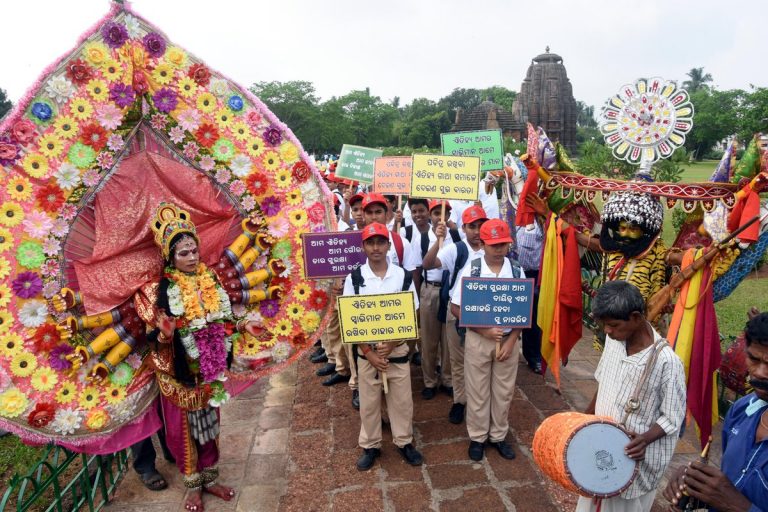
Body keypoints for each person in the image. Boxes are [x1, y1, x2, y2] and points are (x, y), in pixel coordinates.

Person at [148, 203, 263, 512]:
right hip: (180, 376)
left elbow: (222, 318)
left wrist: (243, 325)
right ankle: (192, 487)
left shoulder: (210, 279)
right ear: (170, 258)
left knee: (210, 426)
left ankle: (211, 480)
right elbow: (153, 338)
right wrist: (166, 334)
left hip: (210, 369)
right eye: (184, 253)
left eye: (194, 251)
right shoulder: (162, 289)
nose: (192, 257)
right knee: (181, 433)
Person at [579, 280, 686, 512]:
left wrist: (644, 439)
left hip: (633, 460)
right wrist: (582, 421)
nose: (607, 331)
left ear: (636, 317)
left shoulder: (667, 362)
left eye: (614, 325)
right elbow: (604, 380)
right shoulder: (614, 339)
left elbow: (673, 417)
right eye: (604, 325)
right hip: (601, 445)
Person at [663, 310, 768, 512]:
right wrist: (701, 490)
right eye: (754, 360)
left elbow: (733, 500)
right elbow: (734, 483)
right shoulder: (742, 410)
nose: (760, 373)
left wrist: (737, 506)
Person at [343, 222, 423, 470]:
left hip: (396, 349)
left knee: (401, 400)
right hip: (367, 353)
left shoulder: (402, 276)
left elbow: (412, 313)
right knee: (368, 401)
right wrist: (368, 352)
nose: (376, 248)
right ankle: (371, 444)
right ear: (364, 246)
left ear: (389, 245)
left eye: (380, 242)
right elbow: (350, 321)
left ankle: (404, 441)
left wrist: (391, 343)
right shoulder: (355, 278)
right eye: (370, 242)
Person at [449, 218, 524, 461]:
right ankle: (478, 437)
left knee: (503, 391)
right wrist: (484, 331)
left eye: (503, 244)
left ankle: (498, 436)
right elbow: (456, 307)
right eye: (494, 245)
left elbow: (523, 309)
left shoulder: (515, 270)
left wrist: (513, 339)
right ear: (482, 244)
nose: (499, 249)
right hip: (479, 339)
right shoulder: (472, 269)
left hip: (508, 339)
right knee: (478, 389)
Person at [423, 205, 489, 424]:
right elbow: (429, 264)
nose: (477, 231)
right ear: (464, 228)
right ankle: (460, 401)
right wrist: (437, 240)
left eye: (481, 225)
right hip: (458, 312)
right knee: (458, 362)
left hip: (485, 313)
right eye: (472, 226)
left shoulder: (494, 249)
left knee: (482, 361)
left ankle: (481, 402)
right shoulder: (456, 250)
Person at [412, 200, 458, 400]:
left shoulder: (456, 236)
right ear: (430, 216)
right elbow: (417, 268)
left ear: (448, 215)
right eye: (436, 213)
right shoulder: (422, 238)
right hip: (429, 290)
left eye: (444, 213)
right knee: (429, 340)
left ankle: (448, 379)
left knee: (448, 341)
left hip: (450, 291)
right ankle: (430, 380)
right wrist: (417, 297)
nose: (440, 217)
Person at [515, 220, 544, 374]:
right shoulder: (512, 215)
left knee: (533, 318)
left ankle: (534, 357)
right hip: (514, 272)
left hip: (535, 275)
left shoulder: (542, 221)